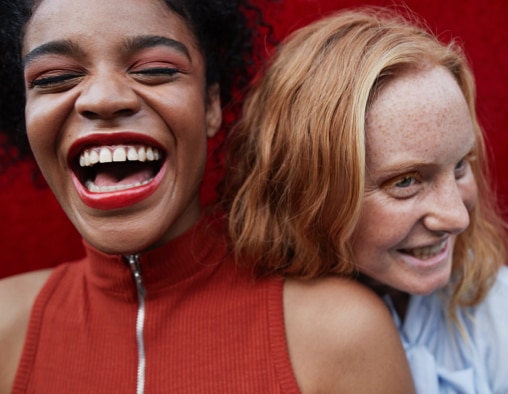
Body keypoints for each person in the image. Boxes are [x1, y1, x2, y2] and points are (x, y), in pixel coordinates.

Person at [0, 0, 415, 392]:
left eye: (155, 69)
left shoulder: (341, 334)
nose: (103, 98)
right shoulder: (5, 327)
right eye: (54, 79)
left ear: (211, 104)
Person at [223, 7, 508, 393]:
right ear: (309, 190)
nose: (456, 218)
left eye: (460, 165)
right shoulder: (242, 327)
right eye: (405, 181)